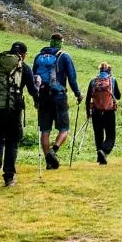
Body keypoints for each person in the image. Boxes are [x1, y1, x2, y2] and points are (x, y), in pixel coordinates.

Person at [0, 41, 39, 187]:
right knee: (12, 141)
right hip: (14, 111)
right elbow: (33, 91)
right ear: (23, 54)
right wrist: (38, 84)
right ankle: (8, 175)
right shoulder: (24, 68)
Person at [32, 33, 83, 169]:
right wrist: (78, 94)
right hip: (59, 96)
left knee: (45, 130)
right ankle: (53, 151)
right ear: (61, 42)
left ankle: (48, 161)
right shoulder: (64, 56)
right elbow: (71, 78)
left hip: (43, 96)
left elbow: (33, 78)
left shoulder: (39, 57)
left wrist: (36, 98)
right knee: (64, 129)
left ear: (50, 42)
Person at [85, 62, 122, 165]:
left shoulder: (93, 81)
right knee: (110, 135)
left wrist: (88, 113)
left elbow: (88, 99)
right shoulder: (112, 80)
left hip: (96, 112)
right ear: (109, 71)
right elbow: (118, 96)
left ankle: (100, 157)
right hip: (109, 112)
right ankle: (104, 151)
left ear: (100, 70)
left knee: (98, 135)